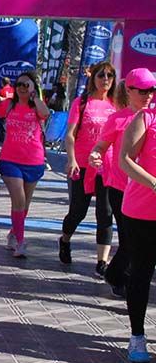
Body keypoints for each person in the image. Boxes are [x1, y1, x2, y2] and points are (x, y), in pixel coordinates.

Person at [91, 70, 156, 296]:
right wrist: (95, 155)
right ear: (128, 91)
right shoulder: (117, 119)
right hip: (122, 188)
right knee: (130, 240)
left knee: (137, 244)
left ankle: (123, 276)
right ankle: (120, 277)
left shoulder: (154, 117)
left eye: (152, 90)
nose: (148, 95)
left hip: (149, 193)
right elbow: (101, 145)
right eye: (143, 90)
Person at [59, 61, 117, 274]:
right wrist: (71, 159)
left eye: (110, 76)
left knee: (106, 212)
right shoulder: (82, 102)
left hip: (107, 166)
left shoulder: (115, 104)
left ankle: (102, 262)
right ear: (93, 77)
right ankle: (65, 239)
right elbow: (70, 134)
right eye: (101, 75)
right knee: (78, 211)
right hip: (83, 165)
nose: (105, 80)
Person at [117, 86, 156, 363]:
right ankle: (137, 336)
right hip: (142, 210)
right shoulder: (146, 118)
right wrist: (154, 183)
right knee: (142, 273)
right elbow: (125, 160)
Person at [0, 71, 50, 259]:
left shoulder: (37, 107)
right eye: (19, 85)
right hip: (10, 160)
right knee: (18, 199)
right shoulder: (9, 105)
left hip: (34, 161)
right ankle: (20, 241)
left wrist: (35, 97)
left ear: (34, 87)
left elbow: (45, 114)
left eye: (26, 85)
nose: (21, 88)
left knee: (25, 203)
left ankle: (13, 232)